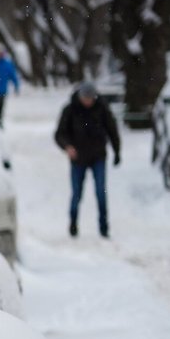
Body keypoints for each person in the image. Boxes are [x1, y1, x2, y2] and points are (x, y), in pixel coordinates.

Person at [54, 81, 121, 238]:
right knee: (77, 193)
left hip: (98, 156)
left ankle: (104, 227)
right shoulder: (70, 110)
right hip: (78, 158)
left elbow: (112, 130)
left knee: (101, 192)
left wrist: (117, 152)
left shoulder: (102, 108)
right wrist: (67, 147)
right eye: (85, 98)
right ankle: (73, 224)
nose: (88, 101)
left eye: (91, 98)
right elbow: (59, 134)